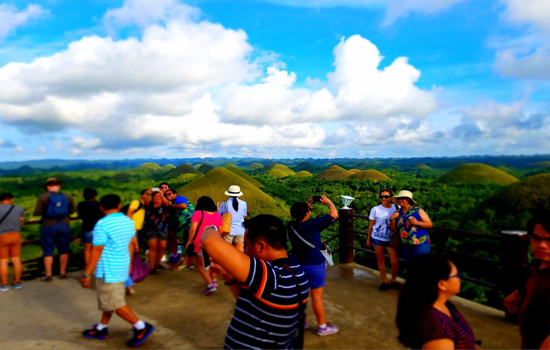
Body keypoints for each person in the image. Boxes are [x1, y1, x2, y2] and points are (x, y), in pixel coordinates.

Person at [201, 214, 310, 349]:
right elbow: (253, 305)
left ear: (261, 246)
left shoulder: (272, 276)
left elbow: (209, 241)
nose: (245, 250)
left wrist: (210, 228)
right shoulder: (297, 273)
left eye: (246, 244)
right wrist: (230, 279)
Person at [80, 194, 155, 347]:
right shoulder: (128, 221)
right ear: (119, 206)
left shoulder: (102, 224)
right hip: (121, 267)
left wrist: (87, 273)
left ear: (101, 208)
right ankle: (102, 328)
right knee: (111, 300)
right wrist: (130, 263)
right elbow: (128, 244)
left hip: (108, 271)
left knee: (114, 303)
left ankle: (141, 326)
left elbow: (97, 250)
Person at [396, 254, 477, 349]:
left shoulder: (443, 305)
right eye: (457, 275)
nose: (459, 278)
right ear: (442, 284)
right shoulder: (437, 329)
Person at [288, 195, 339, 336]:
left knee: (299, 295)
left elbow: (300, 216)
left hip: (297, 265)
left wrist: (306, 206)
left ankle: (300, 322)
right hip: (314, 265)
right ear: (307, 213)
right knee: (316, 297)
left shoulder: (290, 226)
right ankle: (322, 327)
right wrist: (330, 203)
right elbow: (334, 215)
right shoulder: (313, 225)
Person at [503, 214, 550, 349]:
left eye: (549, 240)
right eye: (536, 238)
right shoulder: (541, 266)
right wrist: (519, 292)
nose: (541, 245)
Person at [33, 177, 75, 281]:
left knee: (48, 250)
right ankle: (63, 272)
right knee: (64, 250)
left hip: (48, 225)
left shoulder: (43, 197)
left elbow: (37, 212)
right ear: (59, 186)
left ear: (47, 187)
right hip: (64, 225)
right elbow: (71, 211)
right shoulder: (68, 197)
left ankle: (48, 274)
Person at [186, 196, 222, 295]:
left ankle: (210, 285)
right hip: (214, 242)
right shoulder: (217, 215)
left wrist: (189, 241)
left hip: (200, 242)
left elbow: (193, 228)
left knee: (201, 266)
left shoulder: (198, 213)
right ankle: (213, 280)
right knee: (210, 262)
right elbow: (221, 231)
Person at [366, 189, 400, 291]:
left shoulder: (396, 208)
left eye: (386, 196)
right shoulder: (375, 209)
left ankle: (393, 281)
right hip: (377, 238)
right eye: (381, 197)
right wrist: (368, 239)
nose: (383, 199)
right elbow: (371, 226)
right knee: (380, 259)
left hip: (391, 238)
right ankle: (385, 281)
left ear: (391, 197)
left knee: (394, 262)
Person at [389, 190, 433, 264]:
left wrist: (417, 223)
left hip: (420, 242)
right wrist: (392, 219)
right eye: (398, 198)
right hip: (406, 243)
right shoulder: (398, 213)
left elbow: (429, 224)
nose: (400, 200)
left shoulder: (417, 210)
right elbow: (393, 229)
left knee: (420, 265)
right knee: (410, 265)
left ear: (408, 199)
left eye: (402, 198)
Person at [143, 192, 173, 275]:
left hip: (163, 228)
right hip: (150, 228)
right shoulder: (149, 206)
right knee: (153, 248)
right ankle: (152, 267)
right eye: (155, 196)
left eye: (159, 196)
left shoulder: (165, 206)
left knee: (162, 247)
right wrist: (149, 192)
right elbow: (146, 201)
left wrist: (162, 195)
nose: (157, 197)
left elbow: (167, 203)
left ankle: (157, 263)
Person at [164, 188, 194, 270]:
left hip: (191, 224)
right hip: (187, 226)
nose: (167, 196)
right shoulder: (175, 203)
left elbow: (183, 205)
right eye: (166, 195)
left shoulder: (179, 198)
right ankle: (189, 263)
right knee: (188, 243)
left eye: (169, 194)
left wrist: (172, 205)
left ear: (175, 194)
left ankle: (185, 263)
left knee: (188, 244)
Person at [0, 193, 25, 291]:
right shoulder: (19, 208)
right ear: (12, 199)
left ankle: (4, 284)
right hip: (15, 235)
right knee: (16, 259)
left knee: (3, 261)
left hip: (2, 236)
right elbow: (21, 221)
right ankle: (17, 282)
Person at [77, 188, 103, 265]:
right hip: (98, 229)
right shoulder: (99, 204)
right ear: (95, 196)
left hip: (87, 228)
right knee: (98, 248)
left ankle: (89, 266)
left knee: (87, 249)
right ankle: (97, 265)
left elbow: (79, 215)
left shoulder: (81, 204)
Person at [219, 185, 248, 253]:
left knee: (227, 251)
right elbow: (244, 216)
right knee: (240, 251)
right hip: (241, 230)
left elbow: (219, 216)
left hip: (228, 230)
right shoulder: (244, 203)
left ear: (229, 194)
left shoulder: (223, 204)